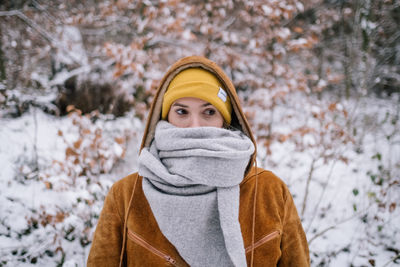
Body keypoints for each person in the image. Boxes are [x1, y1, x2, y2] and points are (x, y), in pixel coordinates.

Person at [87, 56, 310, 267]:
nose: (195, 126)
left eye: (209, 112)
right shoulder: (126, 196)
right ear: (165, 118)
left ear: (225, 120)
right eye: (182, 111)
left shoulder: (269, 192)